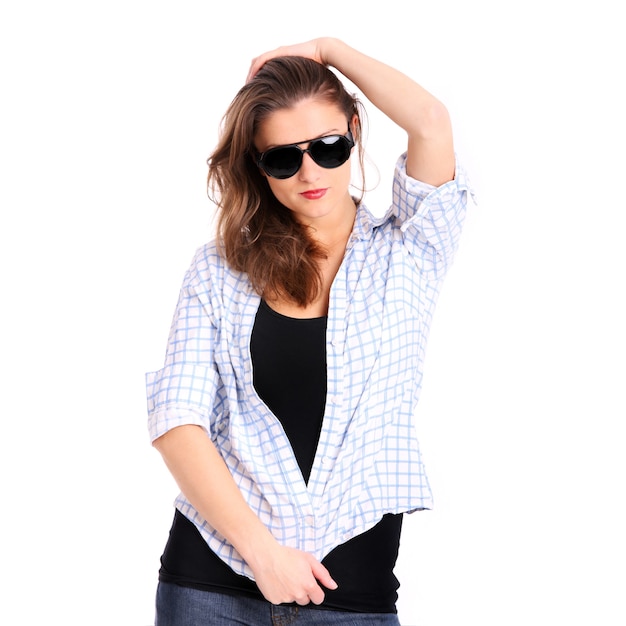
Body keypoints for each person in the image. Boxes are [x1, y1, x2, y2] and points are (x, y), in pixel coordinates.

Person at [146, 37, 472, 625]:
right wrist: (262, 553)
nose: (309, 171)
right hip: (212, 587)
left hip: (352, 599)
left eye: (328, 146)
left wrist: (329, 49)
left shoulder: (410, 251)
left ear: (353, 129)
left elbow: (430, 121)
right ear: (256, 163)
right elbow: (178, 420)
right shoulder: (220, 269)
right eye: (282, 158)